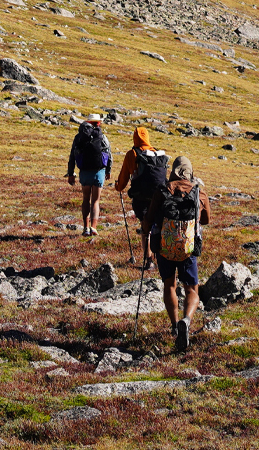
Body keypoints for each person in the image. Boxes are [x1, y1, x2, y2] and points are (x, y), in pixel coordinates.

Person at [145, 155, 211, 352]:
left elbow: (149, 219)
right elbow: (206, 220)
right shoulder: (199, 193)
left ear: (172, 170)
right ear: (190, 172)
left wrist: (147, 239)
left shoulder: (162, 191)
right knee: (192, 289)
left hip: (165, 247)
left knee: (169, 285)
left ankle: (174, 326)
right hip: (188, 249)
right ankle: (187, 320)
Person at [112, 127, 168, 264]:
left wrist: (118, 187)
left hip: (141, 197)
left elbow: (124, 177)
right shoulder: (157, 154)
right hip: (159, 196)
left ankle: (148, 259)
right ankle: (161, 257)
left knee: (145, 227)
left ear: (135, 138)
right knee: (158, 224)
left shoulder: (132, 154)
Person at [65, 115, 111, 235]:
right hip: (98, 171)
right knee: (95, 200)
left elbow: (72, 156)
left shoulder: (79, 137)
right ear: (98, 123)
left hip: (85, 171)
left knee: (86, 199)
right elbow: (108, 154)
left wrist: (71, 173)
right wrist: (108, 170)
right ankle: (94, 227)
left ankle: (85, 228)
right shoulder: (102, 136)